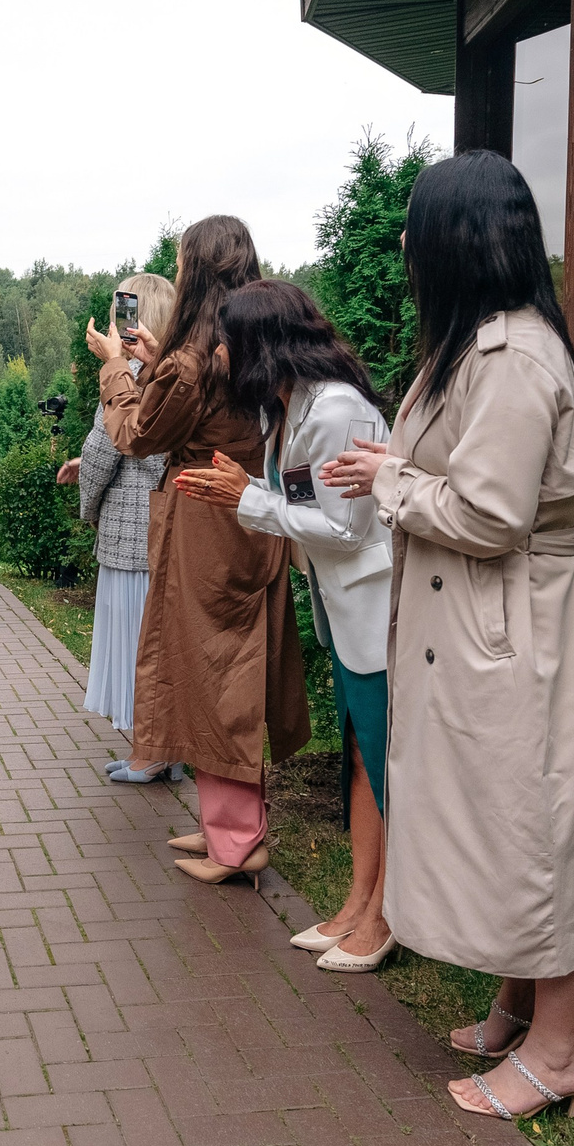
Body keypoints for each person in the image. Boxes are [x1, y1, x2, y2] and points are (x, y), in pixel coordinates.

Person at [321, 149, 574, 1123]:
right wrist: (395, 465)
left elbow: (490, 512)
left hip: (523, 620)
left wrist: (389, 480)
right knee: (505, 809)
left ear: (457, 242)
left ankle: (561, 1049)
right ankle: (521, 1006)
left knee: (541, 819)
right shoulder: (481, 344)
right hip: (498, 614)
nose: (405, 246)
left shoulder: (513, 357)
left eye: (416, 229)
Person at [174, 281, 394, 971]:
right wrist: (250, 491)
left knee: (383, 764)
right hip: (342, 608)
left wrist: (247, 499)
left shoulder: (335, 410)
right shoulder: (288, 407)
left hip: (376, 609)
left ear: (262, 343)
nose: (219, 353)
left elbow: (346, 526)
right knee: (358, 756)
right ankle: (359, 903)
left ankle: (385, 915)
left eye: (228, 341)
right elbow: (299, 498)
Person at [90, 216, 309, 883]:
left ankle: (237, 840)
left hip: (207, 526)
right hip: (242, 518)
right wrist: (160, 360)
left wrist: (117, 369)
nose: (179, 272)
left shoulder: (193, 359)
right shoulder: (241, 342)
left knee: (214, 675)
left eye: (184, 263)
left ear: (200, 270)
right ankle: (225, 822)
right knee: (214, 668)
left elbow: (138, 432)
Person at [56, 269, 176, 780]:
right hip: (163, 528)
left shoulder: (130, 374)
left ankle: (149, 753)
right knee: (158, 649)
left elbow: (110, 447)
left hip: (131, 535)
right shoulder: (172, 371)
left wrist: (89, 502)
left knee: (136, 650)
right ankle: (167, 752)